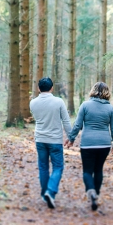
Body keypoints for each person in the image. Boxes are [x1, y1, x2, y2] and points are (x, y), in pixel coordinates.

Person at [66, 82, 113, 211]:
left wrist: (71, 138)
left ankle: (91, 191)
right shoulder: (110, 108)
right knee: (99, 169)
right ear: (107, 93)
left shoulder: (85, 105)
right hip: (104, 144)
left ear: (93, 91)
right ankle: (96, 193)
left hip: (88, 143)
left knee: (87, 171)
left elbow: (78, 125)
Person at [29, 77, 72, 209]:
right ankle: (50, 191)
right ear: (52, 88)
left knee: (43, 167)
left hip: (40, 139)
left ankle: (44, 194)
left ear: (38, 88)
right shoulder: (58, 102)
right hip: (55, 140)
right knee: (58, 167)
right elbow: (65, 121)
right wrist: (71, 137)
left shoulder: (33, 103)